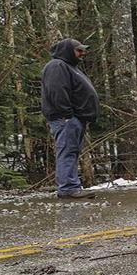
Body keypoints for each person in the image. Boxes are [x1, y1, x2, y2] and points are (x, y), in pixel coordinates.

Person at [40, 38, 99, 199]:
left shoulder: (70, 67)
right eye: (79, 50)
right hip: (65, 119)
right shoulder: (57, 66)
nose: (82, 53)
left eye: (83, 50)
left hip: (74, 118)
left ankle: (71, 186)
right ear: (68, 50)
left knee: (71, 152)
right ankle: (67, 188)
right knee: (67, 151)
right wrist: (67, 115)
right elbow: (57, 92)